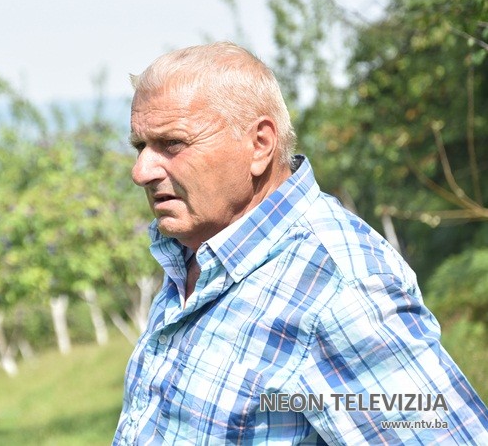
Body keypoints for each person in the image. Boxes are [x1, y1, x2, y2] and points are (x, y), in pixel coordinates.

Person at [113, 42, 488, 444]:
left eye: (172, 144)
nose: (141, 171)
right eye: (140, 146)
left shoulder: (339, 286)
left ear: (259, 144)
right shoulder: (193, 251)